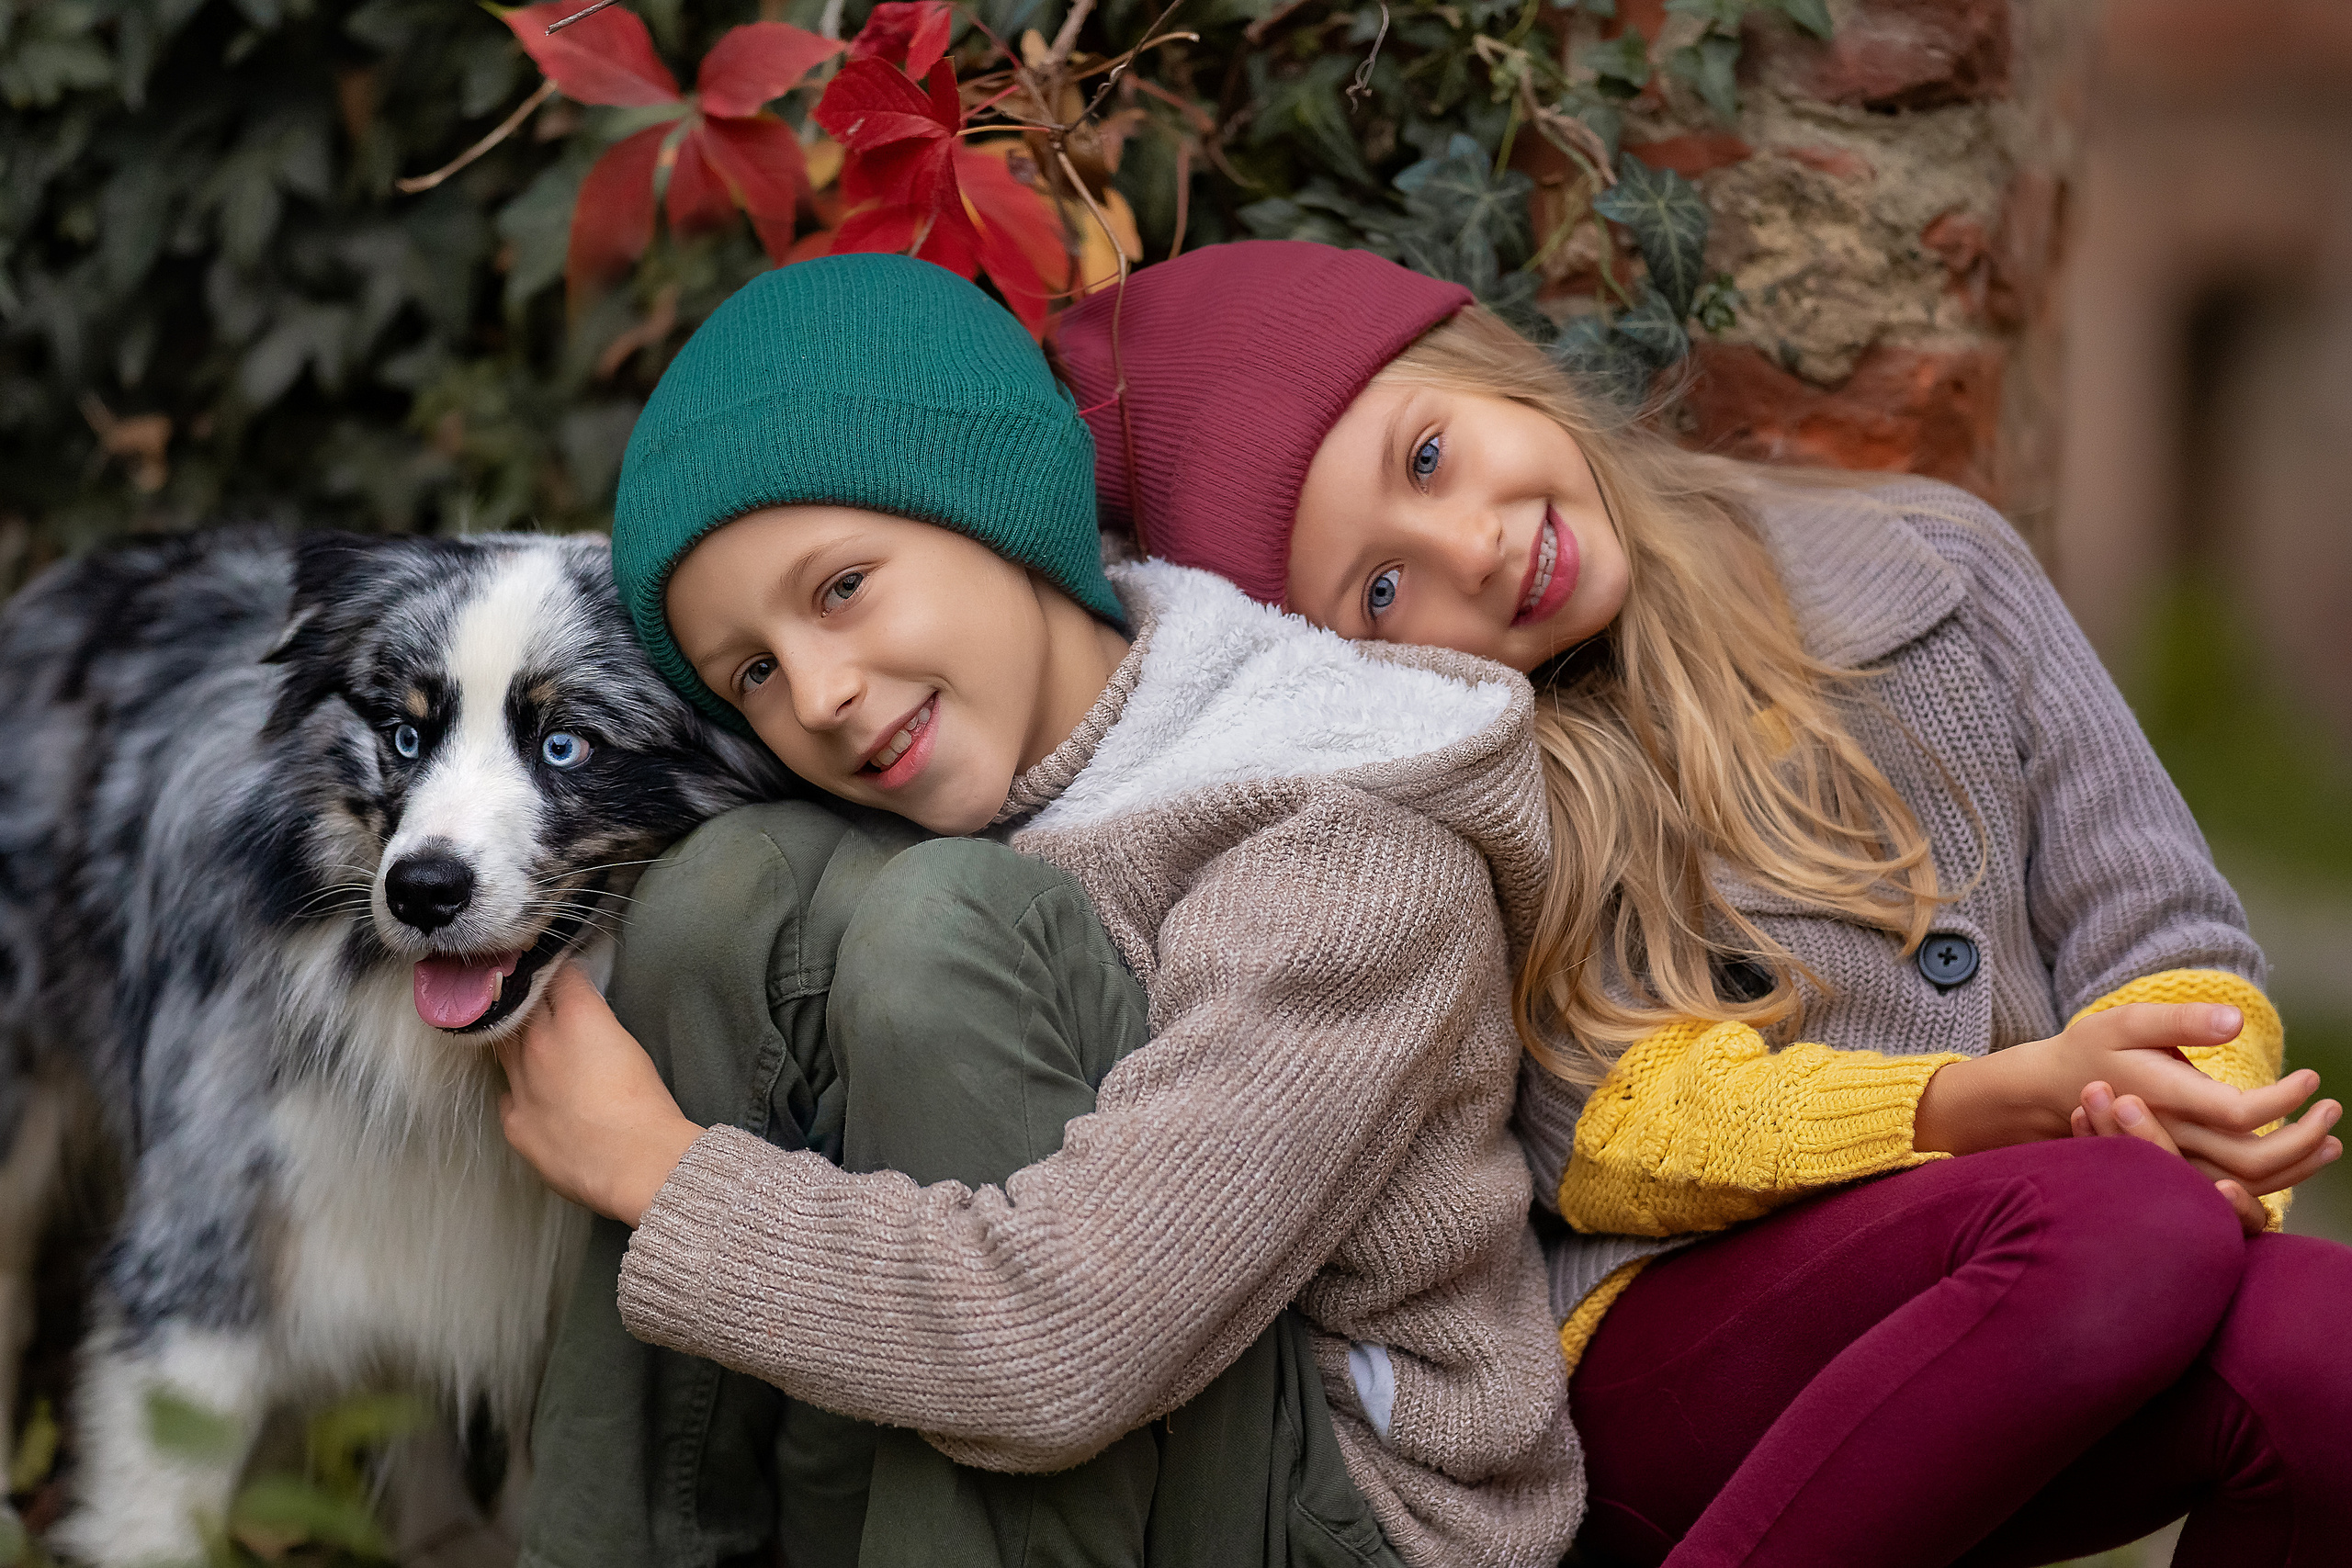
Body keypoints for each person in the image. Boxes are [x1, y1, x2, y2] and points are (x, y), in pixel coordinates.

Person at [1056, 240, 2352, 1567]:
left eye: (1429, 458)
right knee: (2120, 1221)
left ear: (1489, 363)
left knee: (2328, 1356)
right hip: (1676, 1353)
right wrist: (1984, 1104)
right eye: (1382, 592)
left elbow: (2166, 932)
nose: (1474, 549)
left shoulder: (1931, 559)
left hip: (2049, 1280)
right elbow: (1607, 1130)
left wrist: (2185, 1101)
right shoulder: (1454, 781)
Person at [497, 252, 1583, 1568]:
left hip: (1352, 1511)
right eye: (755, 672)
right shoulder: (966, 795)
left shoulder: (1350, 850)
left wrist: (647, 1169)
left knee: (949, 920)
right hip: (1081, 1413)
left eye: (843, 587)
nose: (822, 694)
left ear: (1000, 508)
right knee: (739, 889)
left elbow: (1064, 1349)